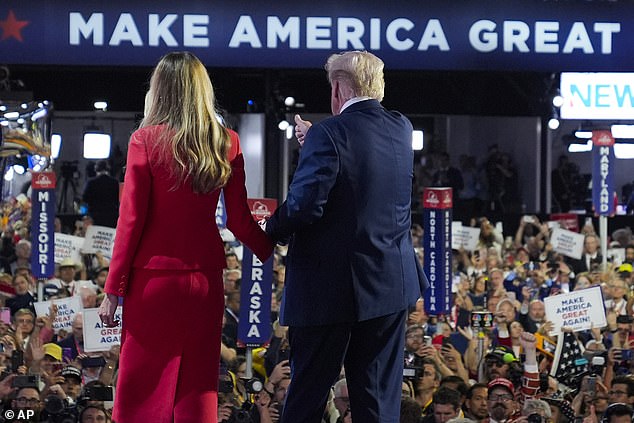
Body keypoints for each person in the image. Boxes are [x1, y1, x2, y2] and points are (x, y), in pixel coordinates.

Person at [97, 51, 272, 423]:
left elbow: (131, 222)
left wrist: (113, 291)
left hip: (153, 282)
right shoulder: (227, 141)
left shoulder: (145, 141)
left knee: (143, 389)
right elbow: (240, 222)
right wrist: (273, 246)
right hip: (205, 281)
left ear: (159, 90)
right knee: (197, 386)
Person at [265, 50, 428, 423]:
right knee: (377, 399)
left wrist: (271, 228)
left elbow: (305, 207)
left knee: (307, 394)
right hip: (390, 286)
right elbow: (362, 169)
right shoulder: (401, 127)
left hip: (331, 291)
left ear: (338, 87)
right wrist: (317, 143)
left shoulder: (330, 134)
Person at [81, 159, 120, 228]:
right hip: (111, 216)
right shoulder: (115, 182)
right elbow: (119, 199)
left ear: (96, 169)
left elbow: (85, 198)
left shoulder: (91, 182)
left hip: (95, 216)